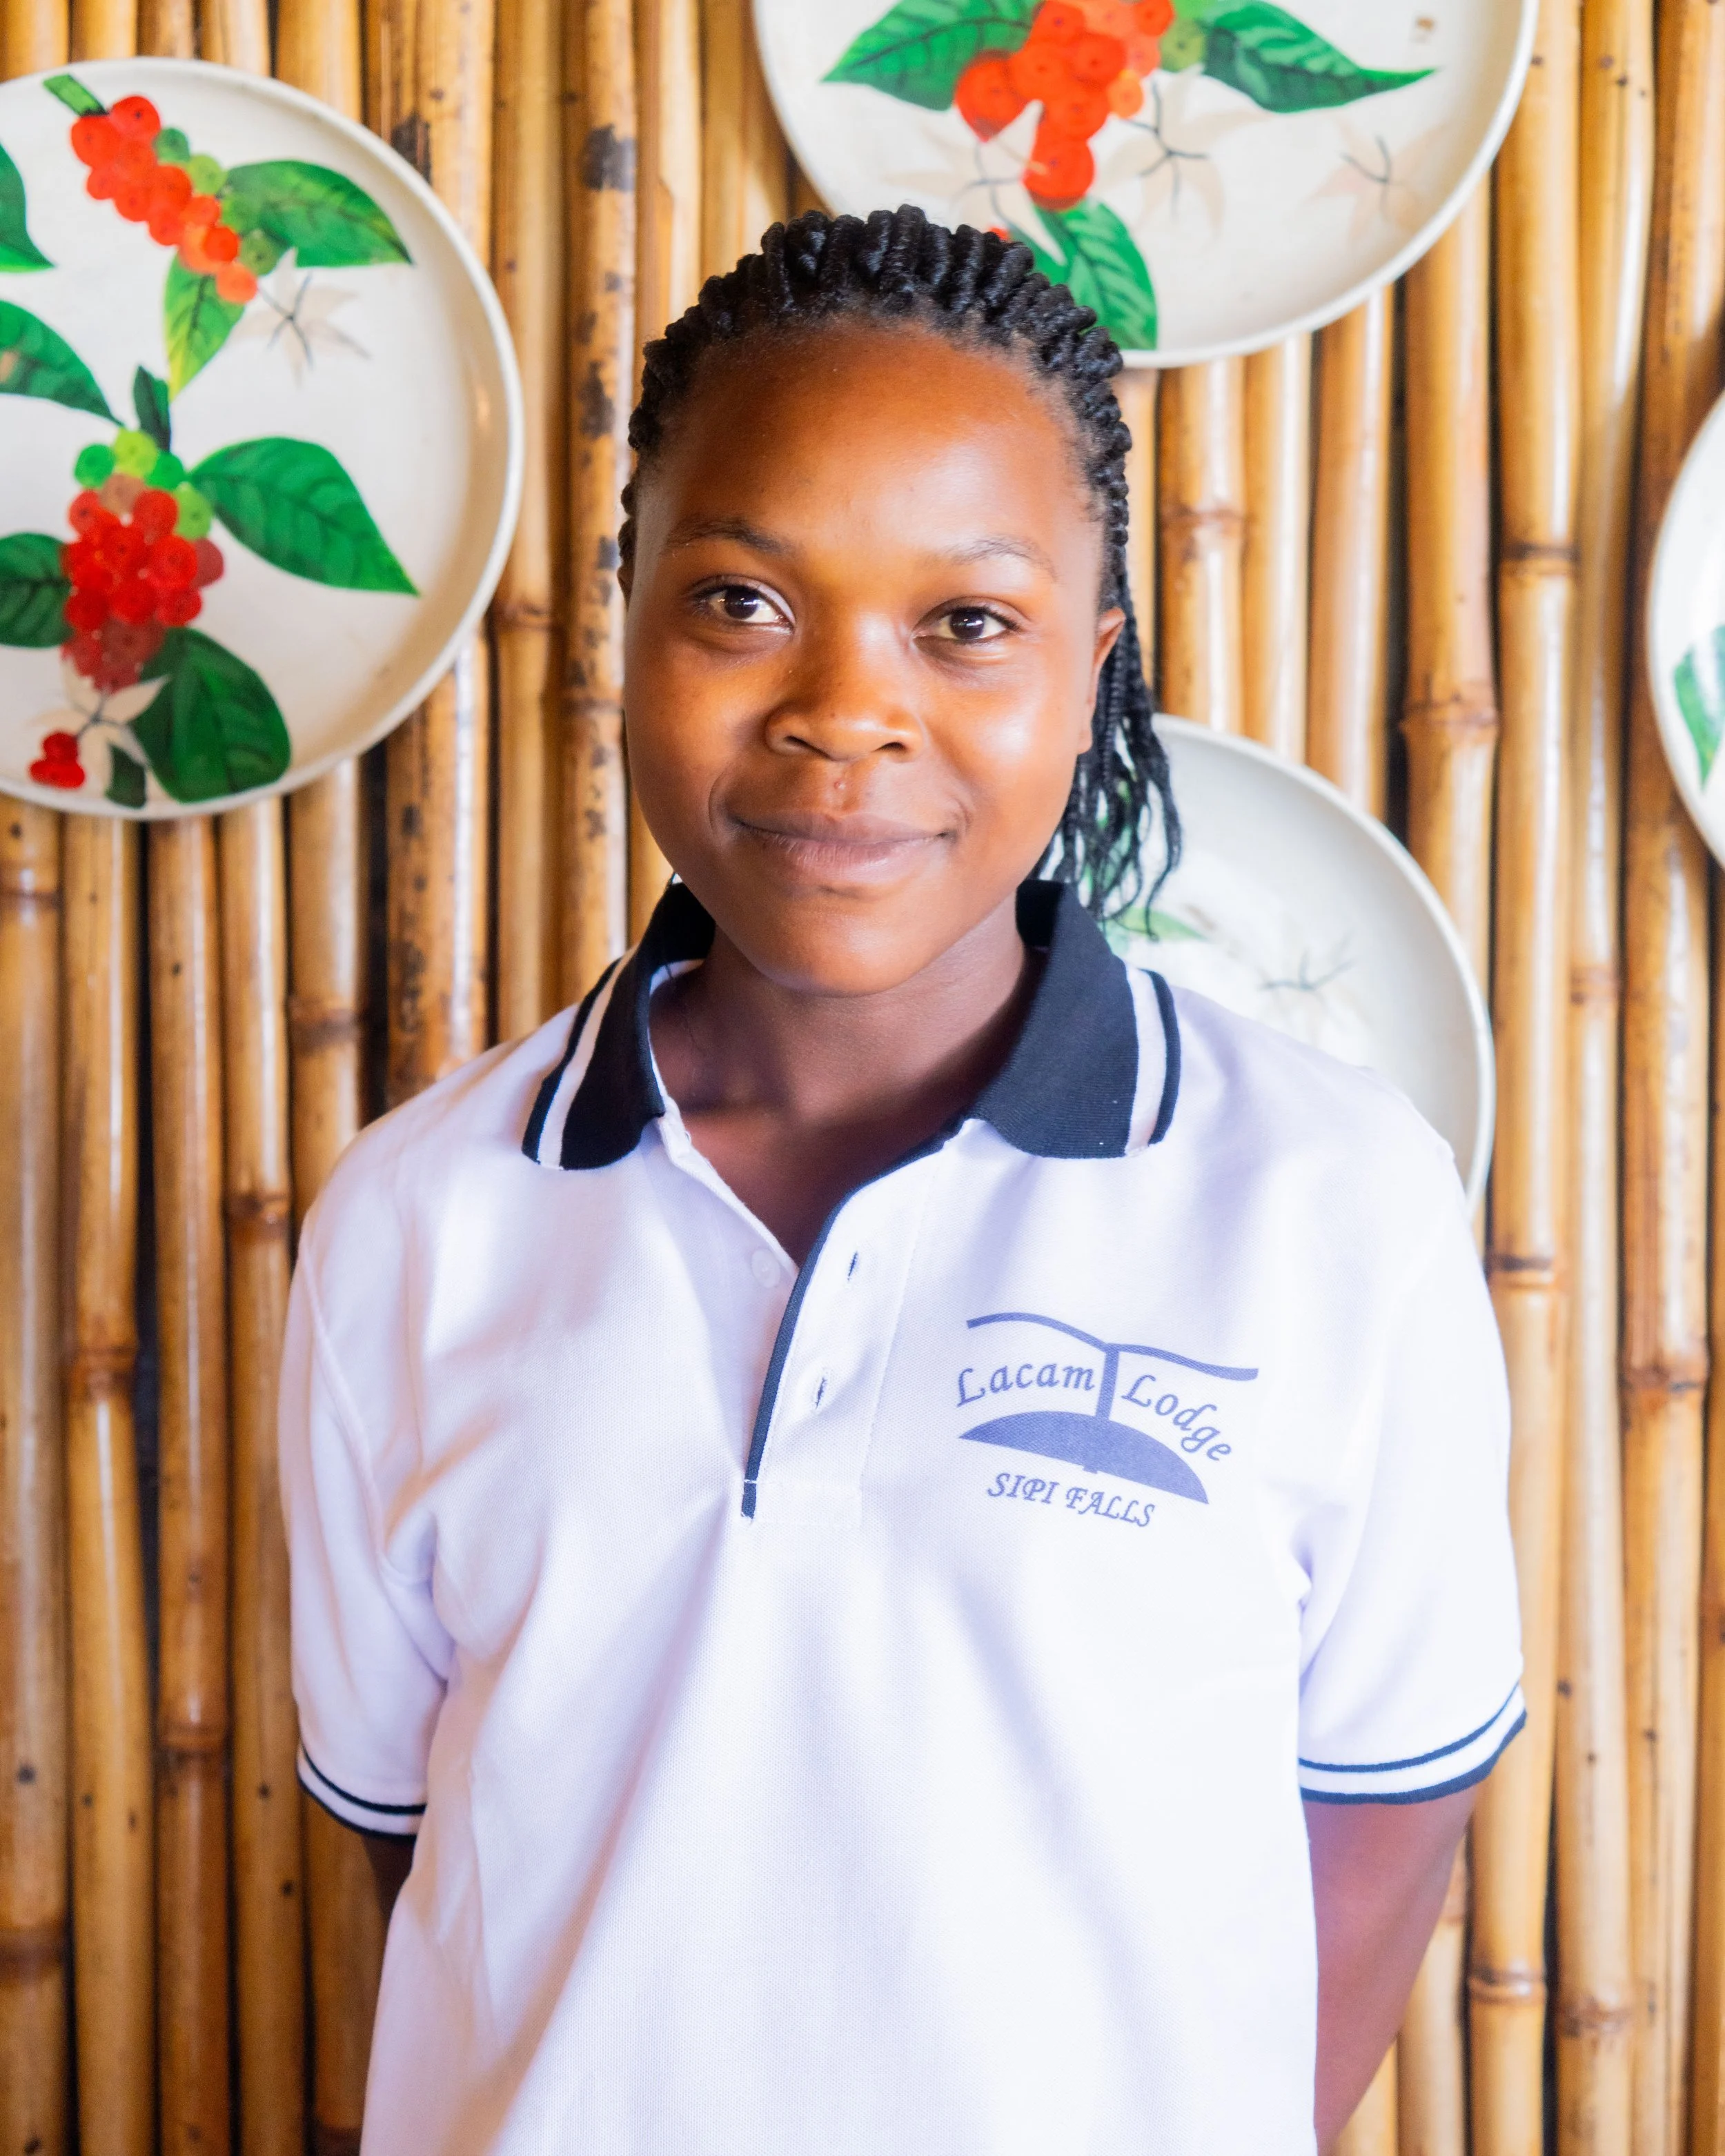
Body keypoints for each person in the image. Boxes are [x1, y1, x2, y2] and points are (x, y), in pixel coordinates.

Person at [279, 205, 1522, 2155]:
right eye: (744, 602)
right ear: (622, 610)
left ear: (1093, 665)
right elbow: (429, 1838)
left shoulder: (1325, 1212)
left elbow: (1374, 1825)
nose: (843, 714)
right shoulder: (415, 1227)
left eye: (965, 624)